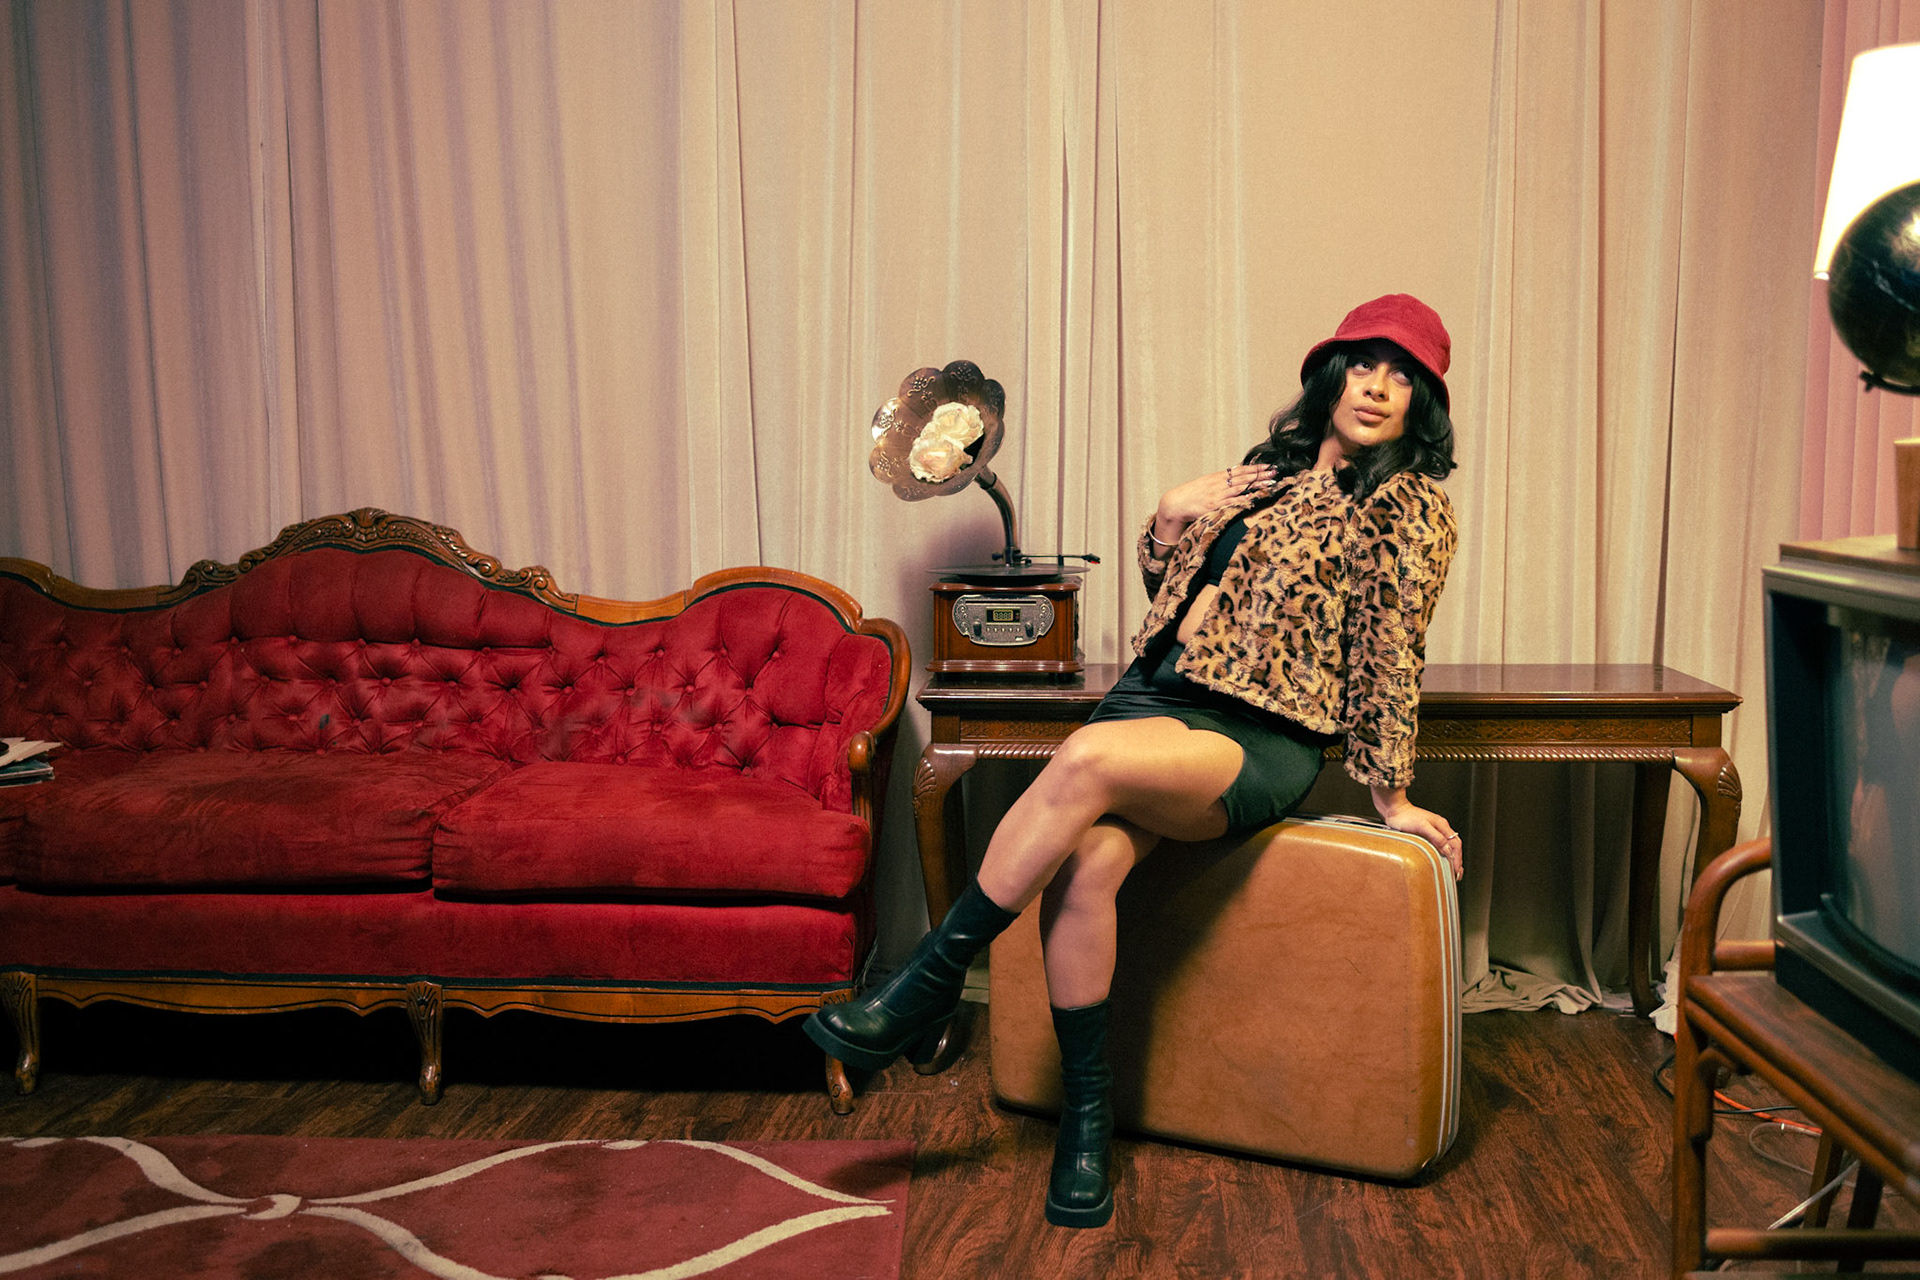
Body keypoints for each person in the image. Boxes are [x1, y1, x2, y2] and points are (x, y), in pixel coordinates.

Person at [806, 293, 1464, 1229]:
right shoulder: (1264, 473)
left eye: (1403, 377)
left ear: (1420, 403)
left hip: (1257, 735)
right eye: (1365, 364)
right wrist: (1166, 520)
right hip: (1155, 702)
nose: (1378, 387)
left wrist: (1392, 796)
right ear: (1333, 373)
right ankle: (1086, 1124)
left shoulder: (1405, 504)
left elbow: (1390, 651)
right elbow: (1182, 593)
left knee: (1082, 759)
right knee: (1088, 865)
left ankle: (926, 984)